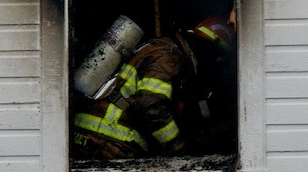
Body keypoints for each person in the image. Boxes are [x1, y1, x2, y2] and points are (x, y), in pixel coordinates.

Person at [71, 15, 235, 160]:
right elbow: (152, 106)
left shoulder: (160, 49)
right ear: (207, 48)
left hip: (94, 135)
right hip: (110, 140)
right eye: (215, 57)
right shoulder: (168, 56)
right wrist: (177, 149)